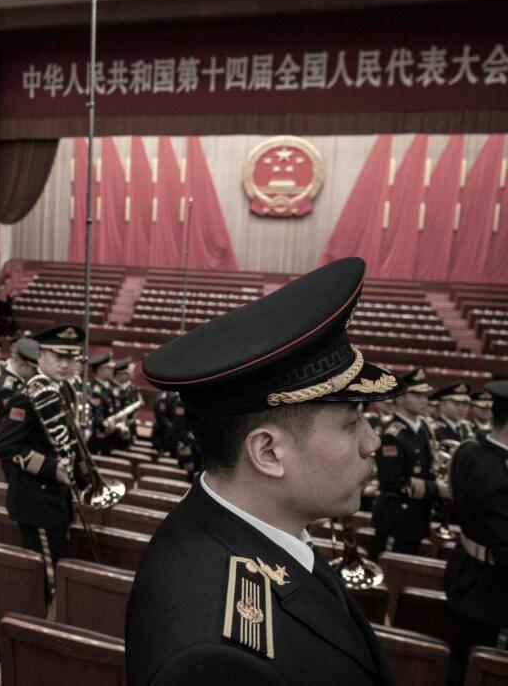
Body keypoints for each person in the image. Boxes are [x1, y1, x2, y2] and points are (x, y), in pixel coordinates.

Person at [127, 257, 397, 685]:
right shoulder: (217, 656)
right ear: (267, 452)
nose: (372, 442)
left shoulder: (246, 529)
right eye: (352, 422)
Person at [0, 325, 82, 589]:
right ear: (41, 356)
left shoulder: (64, 389)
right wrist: (51, 467)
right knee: (50, 576)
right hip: (37, 499)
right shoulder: (26, 397)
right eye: (58, 357)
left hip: (56, 497)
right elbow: (4, 447)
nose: (65, 364)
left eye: (71, 358)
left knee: (58, 560)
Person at [443, 379, 507, 685]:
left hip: (463, 571)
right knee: (476, 668)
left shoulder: (469, 451)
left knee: (458, 657)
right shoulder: (501, 476)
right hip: (490, 591)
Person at [371, 368, 446, 558]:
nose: (424, 399)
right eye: (417, 394)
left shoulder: (423, 429)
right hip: (396, 518)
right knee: (390, 570)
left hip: (418, 516)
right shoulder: (392, 434)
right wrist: (435, 488)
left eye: (425, 394)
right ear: (400, 398)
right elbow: (392, 483)